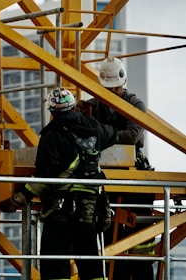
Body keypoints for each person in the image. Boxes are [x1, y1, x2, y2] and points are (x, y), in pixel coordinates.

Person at [0, 87, 118, 280]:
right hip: (91, 207)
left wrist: (18, 199)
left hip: (63, 210)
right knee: (90, 262)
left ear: (52, 112)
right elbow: (114, 134)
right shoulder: (94, 129)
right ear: (73, 108)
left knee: (54, 262)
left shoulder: (52, 136)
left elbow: (44, 177)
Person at [77, 57, 155, 280]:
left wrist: (100, 134)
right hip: (106, 178)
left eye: (116, 88)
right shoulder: (93, 106)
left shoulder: (135, 104)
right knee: (110, 236)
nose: (112, 92)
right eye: (108, 89)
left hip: (135, 177)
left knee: (140, 239)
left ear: (123, 83)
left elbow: (132, 136)